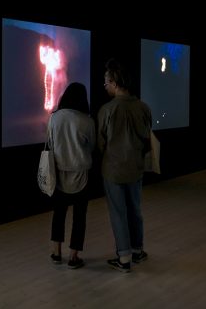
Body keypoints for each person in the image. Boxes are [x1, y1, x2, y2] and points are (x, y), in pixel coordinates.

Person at [98, 59, 152, 273]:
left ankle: (124, 258)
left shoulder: (107, 110)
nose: (105, 86)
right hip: (136, 168)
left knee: (118, 212)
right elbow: (148, 139)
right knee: (135, 210)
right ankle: (138, 250)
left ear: (114, 82)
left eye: (106, 82)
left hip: (113, 169)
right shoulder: (143, 108)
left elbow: (101, 144)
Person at [47, 82, 96, 269]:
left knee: (58, 214)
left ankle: (56, 252)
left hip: (58, 173)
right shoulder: (87, 121)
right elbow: (91, 147)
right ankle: (74, 256)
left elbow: (50, 142)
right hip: (81, 173)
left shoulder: (54, 118)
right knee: (79, 216)